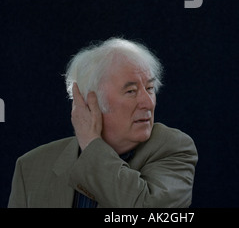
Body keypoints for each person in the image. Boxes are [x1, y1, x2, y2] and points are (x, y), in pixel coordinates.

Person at [8, 37, 198, 208]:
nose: (148, 103)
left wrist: (91, 144)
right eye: (131, 91)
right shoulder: (31, 166)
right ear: (90, 103)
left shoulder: (174, 148)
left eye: (149, 88)